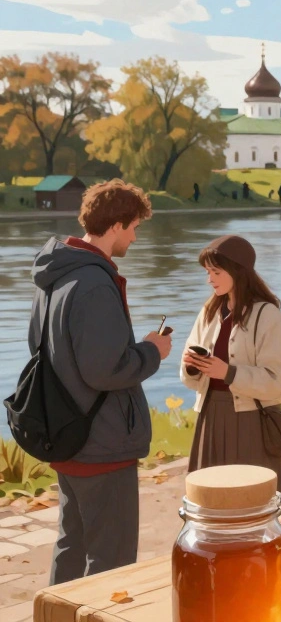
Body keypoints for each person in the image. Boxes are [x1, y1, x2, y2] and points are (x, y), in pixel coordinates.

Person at [31, 180, 172, 583]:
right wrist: (151, 351)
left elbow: (40, 348)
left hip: (66, 433)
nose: (134, 236)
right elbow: (105, 370)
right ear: (116, 226)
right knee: (111, 563)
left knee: (71, 547)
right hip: (102, 443)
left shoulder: (56, 274)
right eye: (133, 227)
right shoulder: (93, 282)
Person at [180, 235, 281, 507]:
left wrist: (228, 373)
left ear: (237, 271)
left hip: (251, 421)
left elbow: (278, 380)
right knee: (210, 500)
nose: (210, 279)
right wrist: (193, 367)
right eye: (208, 272)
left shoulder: (267, 315)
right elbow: (189, 378)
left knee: (252, 501)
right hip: (210, 416)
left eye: (216, 272)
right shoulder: (208, 310)